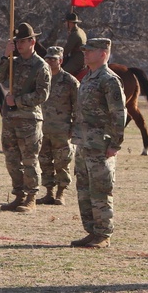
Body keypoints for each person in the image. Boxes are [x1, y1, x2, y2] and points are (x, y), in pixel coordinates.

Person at [71, 38, 127, 248]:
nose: (85, 54)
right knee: (84, 190)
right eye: (84, 50)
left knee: (100, 190)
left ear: (103, 53)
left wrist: (115, 143)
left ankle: (103, 234)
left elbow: (119, 114)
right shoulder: (88, 77)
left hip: (100, 145)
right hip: (84, 143)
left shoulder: (109, 80)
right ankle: (92, 231)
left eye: (90, 51)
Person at [0, 22, 51, 212]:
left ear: (32, 41)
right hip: (10, 118)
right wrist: (5, 55)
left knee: (29, 160)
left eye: (23, 41)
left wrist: (17, 101)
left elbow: (42, 95)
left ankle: (31, 197)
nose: (19, 45)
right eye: (17, 41)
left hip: (29, 119)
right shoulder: (13, 62)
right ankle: (19, 195)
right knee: (11, 159)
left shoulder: (41, 66)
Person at [38, 46, 79, 206]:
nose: (49, 61)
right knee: (45, 162)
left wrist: (73, 129)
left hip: (62, 130)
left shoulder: (70, 82)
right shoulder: (41, 79)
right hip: (43, 129)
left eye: (53, 59)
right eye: (47, 58)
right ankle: (49, 192)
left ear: (60, 61)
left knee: (62, 163)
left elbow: (78, 107)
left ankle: (61, 193)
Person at [62, 12, 87, 78]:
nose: (65, 24)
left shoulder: (74, 35)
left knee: (62, 73)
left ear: (70, 23)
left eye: (66, 22)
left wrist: (56, 55)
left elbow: (66, 50)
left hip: (77, 60)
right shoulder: (81, 31)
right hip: (81, 57)